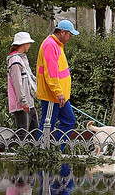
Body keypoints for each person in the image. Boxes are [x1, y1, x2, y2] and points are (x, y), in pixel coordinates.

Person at [36, 19, 79, 147]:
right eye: (69, 35)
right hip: (53, 96)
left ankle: (55, 150)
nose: (70, 38)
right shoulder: (50, 45)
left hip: (60, 96)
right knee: (47, 124)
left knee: (69, 121)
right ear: (62, 32)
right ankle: (40, 152)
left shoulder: (56, 44)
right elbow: (51, 73)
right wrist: (58, 92)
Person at [7, 31, 38, 139]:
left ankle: (29, 153)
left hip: (28, 101)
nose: (29, 45)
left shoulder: (22, 58)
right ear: (23, 44)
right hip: (21, 103)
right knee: (22, 132)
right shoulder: (15, 61)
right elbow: (17, 84)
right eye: (28, 43)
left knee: (34, 129)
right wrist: (23, 101)